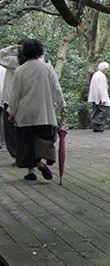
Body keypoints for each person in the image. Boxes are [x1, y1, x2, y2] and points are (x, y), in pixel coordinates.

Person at [6, 38, 64, 181]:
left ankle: (30, 171)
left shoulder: (20, 70)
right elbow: (56, 89)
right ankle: (42, 162)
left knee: (27, 142)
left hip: (25, 114)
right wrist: (62, 105)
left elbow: (15, 95)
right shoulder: (47, 68)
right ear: (40, 51)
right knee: (45, 139)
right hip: (44, 112)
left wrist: (12, 113)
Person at [0, 42, 23, 156]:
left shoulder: (13, 62)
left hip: (10, 101)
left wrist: (10, 48)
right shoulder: (34, 63)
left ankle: (17, 154)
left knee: (10, 131)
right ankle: (22, 155)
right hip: (24, 101)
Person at [87, 61, 110, 132]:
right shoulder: (102, 76)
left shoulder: (96, 74)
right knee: (105, 110)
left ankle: (96, 126)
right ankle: (96, 123)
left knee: (96, 111)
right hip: (100, 97)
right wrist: (103, 99)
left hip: (95, 96)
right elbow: (102, 88)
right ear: (104, 69)